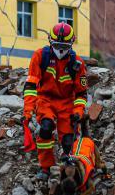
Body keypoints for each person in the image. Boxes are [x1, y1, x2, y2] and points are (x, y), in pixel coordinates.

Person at [22, 22, 88, 180]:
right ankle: (45, 167)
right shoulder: (40, 56)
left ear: (71, 44)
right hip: (45, 99)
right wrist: (28, 111)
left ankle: (68, 170)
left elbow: (81, 93)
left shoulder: (77, 63)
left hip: (67, 102)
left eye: (64, 46)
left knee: (68, 140)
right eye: (57, 45)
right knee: (45, 128)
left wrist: (78, 112)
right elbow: (31, 86)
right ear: (50, 42)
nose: (60, 50)